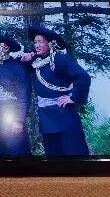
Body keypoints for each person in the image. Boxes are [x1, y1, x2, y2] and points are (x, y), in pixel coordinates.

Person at [23, 26, 91, 156]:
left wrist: (74, 98)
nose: (37, 45)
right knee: (53, 153)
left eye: (40, 42)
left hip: (64, 113)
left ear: (50, 43)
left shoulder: (60, 58)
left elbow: (83, 76)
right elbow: (19, 63)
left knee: (72, 151)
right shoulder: (36, 61)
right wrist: (26, 58)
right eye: (35, 42)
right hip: (46, 115)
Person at [0, 34, 31, 156]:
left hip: (13, 113)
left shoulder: (18, 67)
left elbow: (24, 95)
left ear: (6, 47)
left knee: (17, 151)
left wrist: (18, 120)